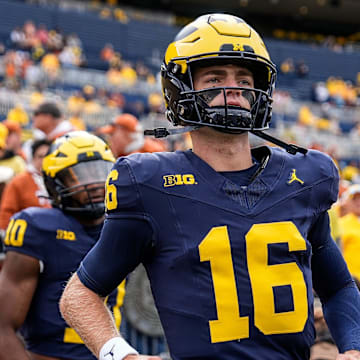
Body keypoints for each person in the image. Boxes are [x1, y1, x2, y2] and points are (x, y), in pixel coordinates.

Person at [60, 14, 360, 360]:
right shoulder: (150, 184)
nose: (233, 87)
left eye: (244, 78)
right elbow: (80, 295)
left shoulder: (305, 177)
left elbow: (337, 286)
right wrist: (120, 354)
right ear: (180, 89)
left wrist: (352, 347)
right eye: (215, 77)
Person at [0, 131, 125, 360]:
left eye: (100, 172)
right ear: (55, 183)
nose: (95, 184)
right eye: (80, 176)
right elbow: (2, 328)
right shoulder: (38, 228)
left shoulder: (123, 226)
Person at [0, 139, 51, 231]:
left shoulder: (60, 179)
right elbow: (6, 212)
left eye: (48, 156)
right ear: (33, 158)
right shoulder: (19, 181)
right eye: (40, 156)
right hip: (28, 236)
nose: (44, 160)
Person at [97, 113, 166, 158]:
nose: (110, 140)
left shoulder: (151, 154)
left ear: (126, 134)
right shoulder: (123, 153)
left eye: (112, 134)